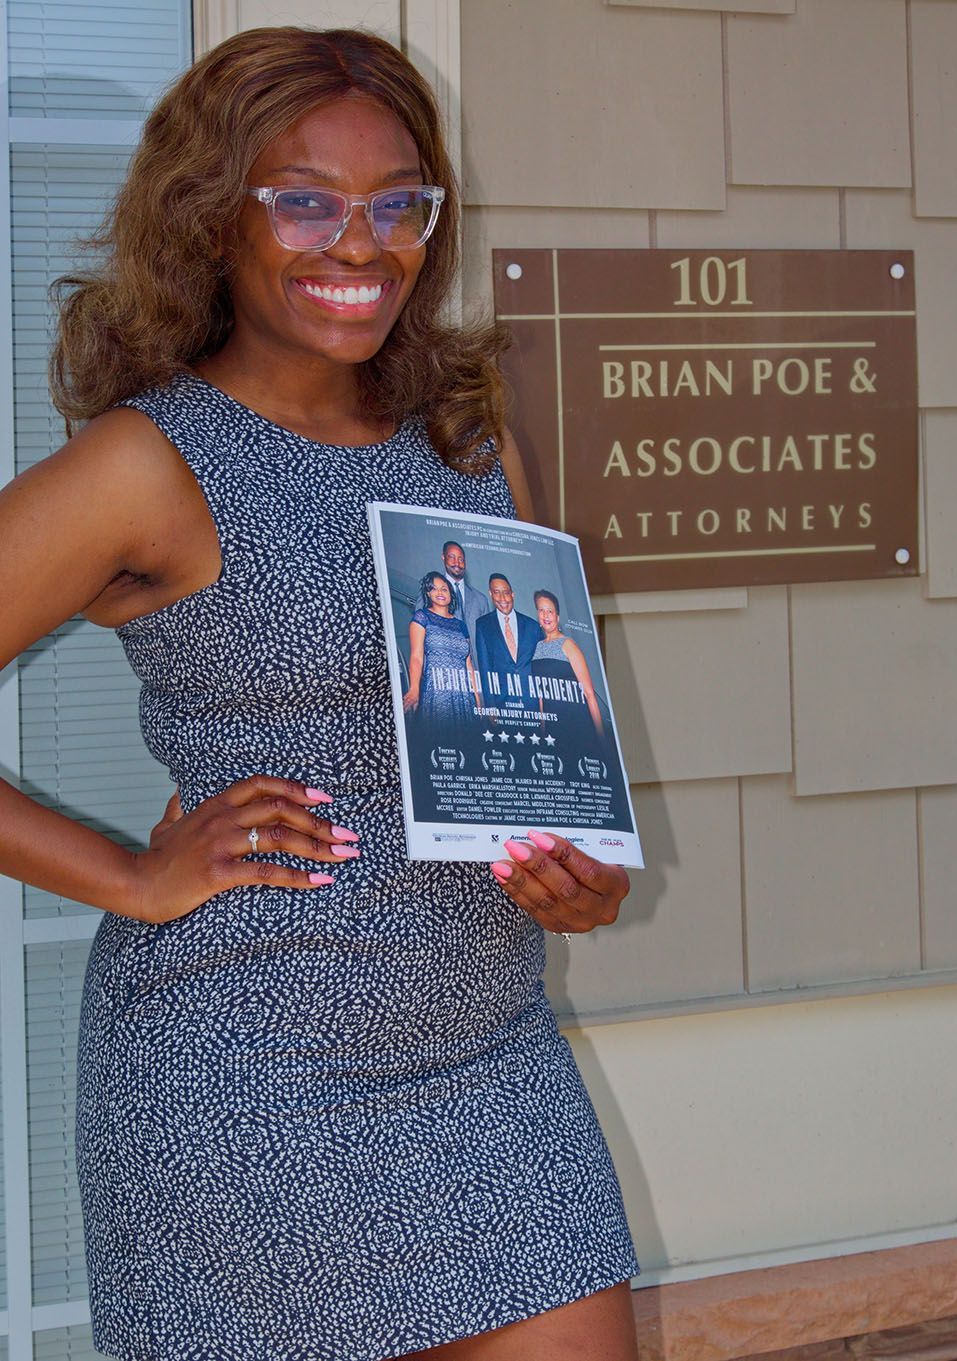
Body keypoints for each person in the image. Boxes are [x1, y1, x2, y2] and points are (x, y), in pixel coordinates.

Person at [0, 27, 639, 1361]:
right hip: (249, 1084)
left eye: (399, 203)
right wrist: (129, 873)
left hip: (490, 1052)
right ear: (211, 215)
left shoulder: (467, 438)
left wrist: (578, 867)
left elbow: (530, 731)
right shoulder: (149, 463)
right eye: (303, 199)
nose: (361, 243)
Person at [403, 570, 479, 724]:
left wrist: (478, 700)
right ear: (428, 593)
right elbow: (417, 657)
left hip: (464, 696)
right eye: (434, 589)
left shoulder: (461, 625)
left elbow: (468, 664)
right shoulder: (422, 617)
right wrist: (414, 689)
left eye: (444, 589)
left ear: (451, 594)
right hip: (436, 693)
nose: (440, 592)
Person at [532, 588, 606, 743]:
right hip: (552, 728)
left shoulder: (568, 644)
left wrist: (601, 738)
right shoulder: (537, 647)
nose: (545, 615)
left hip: (575, 722)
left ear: (557, 617)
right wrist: (542, 732)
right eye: (541, 610)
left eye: (550, 611)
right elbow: (541, 696)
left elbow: (589, 693)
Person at [475, 571, 543, 711]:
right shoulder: (483, 625)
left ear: (513, 594)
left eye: (506, 592)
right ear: (491, 594)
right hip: (502, 704)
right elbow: (485, 669)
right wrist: (490, 706)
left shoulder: (533, 626)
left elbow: (542, 668)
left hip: (532, 704)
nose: (502, 598)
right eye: (497, 592)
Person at [441, 538, 490, 650]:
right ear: (443, 557)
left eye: (461, 559)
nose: (457, 563)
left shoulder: (480, 600)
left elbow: (487, 641)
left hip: (474, 660)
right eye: (452, 557)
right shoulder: (431, 592)